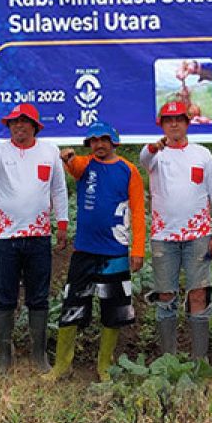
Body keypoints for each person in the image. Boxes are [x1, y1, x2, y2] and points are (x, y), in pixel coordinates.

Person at [45, 121, 145, 382]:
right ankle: (61, 366)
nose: (99, 145)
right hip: (84, 252)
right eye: (94, 140)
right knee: (71, 307)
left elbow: (138, 213)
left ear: (114, 142)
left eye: (104, 140)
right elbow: (73, 163)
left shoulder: (129, 170)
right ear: (89, 144)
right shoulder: (84, 166)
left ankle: (104, 367)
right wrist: (67, 156)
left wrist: (137, 249)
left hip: (116, 253)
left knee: (113, 312)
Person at [0, 103, 68, 371]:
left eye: (24, 122)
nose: (18, 126)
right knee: (4, 297)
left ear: (35, 126)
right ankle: (5, 357)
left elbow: (59, 190)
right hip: (6, 237)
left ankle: (39, 356)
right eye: (14, 122)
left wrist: (62, 223)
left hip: (39, 236)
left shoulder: (49, 152)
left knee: (38, 297)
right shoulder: (0, 151)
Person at [139, 101, 212, 360]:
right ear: (162, 125)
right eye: (168, 120)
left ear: (187, 123)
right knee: (165, 295)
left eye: (179, 119)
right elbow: (144, 157)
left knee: (198, 292)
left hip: (199, 236)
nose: (174, 124)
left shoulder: (202, 154)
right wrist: (155, 146)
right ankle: (168, 359)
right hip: (163, 237)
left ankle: (199, 360)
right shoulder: (156, 155)